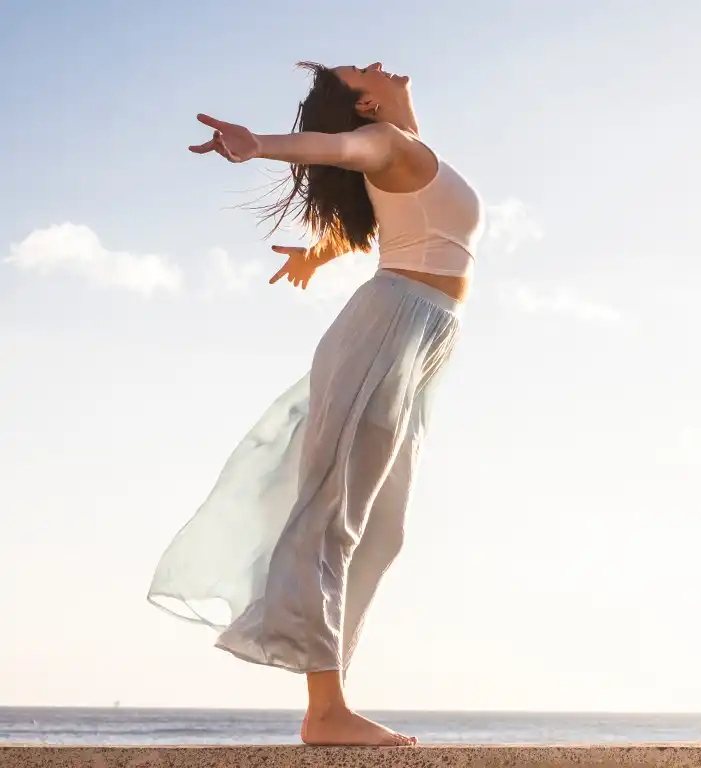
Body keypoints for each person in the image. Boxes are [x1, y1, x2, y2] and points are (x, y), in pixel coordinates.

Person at [147, 61, 483, 747]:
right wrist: (257, 145)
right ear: (366, 102)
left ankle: (334, 696)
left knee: (383, 529)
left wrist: (316, 256)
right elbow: (337, 147)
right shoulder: (384, 140)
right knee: (332, 506)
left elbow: (389, 214)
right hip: (392, 324)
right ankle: (325, 710)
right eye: (363, 71)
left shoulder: (407, 155)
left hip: (422, 338)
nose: (379, 65)